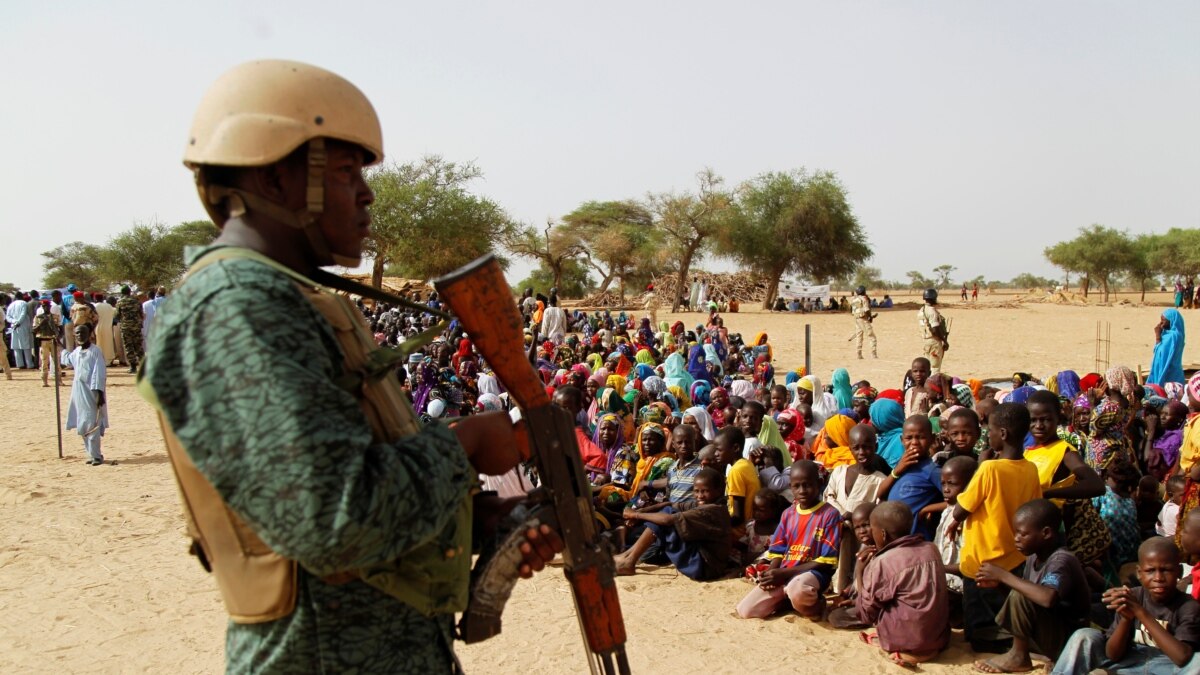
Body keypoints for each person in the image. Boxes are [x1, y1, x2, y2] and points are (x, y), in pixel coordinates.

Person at [140, 60, 560, 671]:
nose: (366, 193)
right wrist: (464, 443)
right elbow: (334, 520)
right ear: (275, 177)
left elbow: (355, 474)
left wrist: (475, 518)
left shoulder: (301, 301)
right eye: (343, 172)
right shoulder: (237, 306)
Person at [945, 402, 1042, 653]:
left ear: (1003, 434)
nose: (988, 437)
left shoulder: (989, 469)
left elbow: (960, 508)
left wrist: (979, 464)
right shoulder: (1031, 469)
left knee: (978, 628)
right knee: (1003, 612)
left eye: (990, 432)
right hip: (1013, 558)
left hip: (981, 560)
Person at [973, 499, 1090, 673]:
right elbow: (1024, 603)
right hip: (1047, 629)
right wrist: (999, 585)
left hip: (1070, 637)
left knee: (1020, 595)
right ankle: (1037, 654)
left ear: (1046, 533)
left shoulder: (1061, 560)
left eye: (1023, 534)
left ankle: (1020, 657)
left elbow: (1047, 598)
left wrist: (1004, 575)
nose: (1016, 539)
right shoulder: (1033, 558)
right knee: (981, 636)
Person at [1051, 537, 1200, 674]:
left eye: (1166, 570)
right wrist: (1126, 619)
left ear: (1179, 572)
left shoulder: (1188, 605)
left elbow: (1181, 658)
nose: (1158, 578)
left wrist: (1140, 612)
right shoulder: (1131, 596)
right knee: (1084, 636)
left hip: (1168, 666)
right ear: (1139, 573)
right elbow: (1113, 655)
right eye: (1150, 571)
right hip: (1130, 663)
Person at [735, 461, 841, 620]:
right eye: (796, 486)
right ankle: (787, 601)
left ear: (819, 483)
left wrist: (782, 573)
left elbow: (826, 561)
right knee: (746, 610)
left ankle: (817, 606)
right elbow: (777, 550)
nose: (802, 491)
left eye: (807, 485)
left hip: (812, 575)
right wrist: (772, 573)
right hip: (785, 573)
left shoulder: (830, 514)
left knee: (797, 589)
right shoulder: (788, 514)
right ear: (790, 487)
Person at [856, 501, 950, 668]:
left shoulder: (883, 562)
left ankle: (906, 649)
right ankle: (925, 649)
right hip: (938, 636)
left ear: (883, 534)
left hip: (908, 639)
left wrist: (860, 571)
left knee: (843, 615)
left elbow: (865, 613)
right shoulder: (931, 548)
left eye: (873, 529)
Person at [614, 468, 731, 580]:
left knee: (666, 517)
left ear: (719, 491)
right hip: (704, 562)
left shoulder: (712, 511)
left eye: (705, 491)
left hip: (705, 566)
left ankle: (629, 561)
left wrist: (635, 515)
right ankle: (627, 556)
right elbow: (671, 504)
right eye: (696, 491)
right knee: (666, 512)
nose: (700, 496)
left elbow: (668, 519)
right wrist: (640, 511)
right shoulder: (703, 504)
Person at [879, 416, 944, 541]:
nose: (914, 442)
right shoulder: (902, 466)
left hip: (915, 538)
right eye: (909, 438)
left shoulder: (932, 470)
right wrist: (897, 470)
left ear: (932, 439)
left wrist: (926, 509)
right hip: (893, 537)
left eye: (921, 437)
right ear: (902, 440)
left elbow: (959, 500)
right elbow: (880, 493)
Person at [65, 324, 108, 466]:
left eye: (83, 333)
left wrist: (99, 393)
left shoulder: (95, 351)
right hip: (78, 392)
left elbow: (99, 374)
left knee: (92, 422)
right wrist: (58, 347)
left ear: (90, 334)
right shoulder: (76, 352)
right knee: (83, 423)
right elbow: (67, 360)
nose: (80, 336)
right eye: (77, 333)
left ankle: (96, 455)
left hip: (92, 392)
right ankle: (90, 454)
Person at [715, 426, 760, 538]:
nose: (715, 453)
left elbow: (738, 516)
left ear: (735, 448)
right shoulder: (747, 464)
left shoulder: (736, 471)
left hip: (740, 531)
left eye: (719, 450)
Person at [1149, 309, 1186, 387]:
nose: (1161, 323)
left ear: (1172, 321)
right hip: (1164, 371)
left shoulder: (1173, 336)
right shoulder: (1167, 335)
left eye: (1163, 320)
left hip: (1169, 374)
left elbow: (1163, 353)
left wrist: (1158, 337)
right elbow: (1157, 351)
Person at [917, 288, 948, 373]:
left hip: (925, 340)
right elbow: (935, 329)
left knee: (927, 366)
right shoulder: (932, 311)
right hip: (934, 341)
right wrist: (944, 340)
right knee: (935, 367)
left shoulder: (921, 310)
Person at [33, 300, 62, 387]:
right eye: (44, 306)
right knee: (44, 361)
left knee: (56, 361)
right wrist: (42, 323)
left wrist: (59, 337)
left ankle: (59, 380)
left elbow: (60, 328)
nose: (46, 308)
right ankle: (44, 381)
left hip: (53, 340)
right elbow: (34, 330)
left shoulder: (55, 317)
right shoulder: (38, 317)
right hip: (43, 340)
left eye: (47, 306)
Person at [5, 292, 34, 369]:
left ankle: (20, 364)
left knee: (16, 346)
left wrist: (14, 322)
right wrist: (18, 322)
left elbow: (7, 317)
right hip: (23, 325)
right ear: (22, 297)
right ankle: (29, 364)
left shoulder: (11, 305)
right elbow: (23, 314)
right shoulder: (24, 303)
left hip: (14, 326)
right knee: (26, 346)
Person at [849, 285, 877, 360]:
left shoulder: (854, 299)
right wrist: (870, 317)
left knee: (859, 337)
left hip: (857, 319)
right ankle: (873, 354)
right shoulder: (864, 298)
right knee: (872, 337)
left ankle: (859, 354)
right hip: (863, 319)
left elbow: (852, 310)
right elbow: (866, 310)